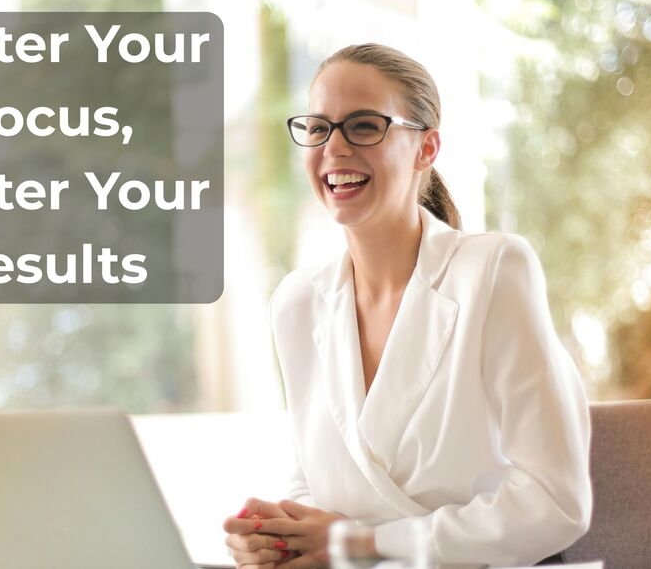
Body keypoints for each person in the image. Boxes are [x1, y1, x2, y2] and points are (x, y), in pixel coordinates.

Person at [222, 43, 592, 569]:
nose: (334, 148)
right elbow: (319, 481)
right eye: (318, 128)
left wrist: (361, 545)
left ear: (426, 148)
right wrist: (277, 536)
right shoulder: (297, 303)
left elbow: (556, 504)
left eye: (364, 126)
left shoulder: (492, 271)